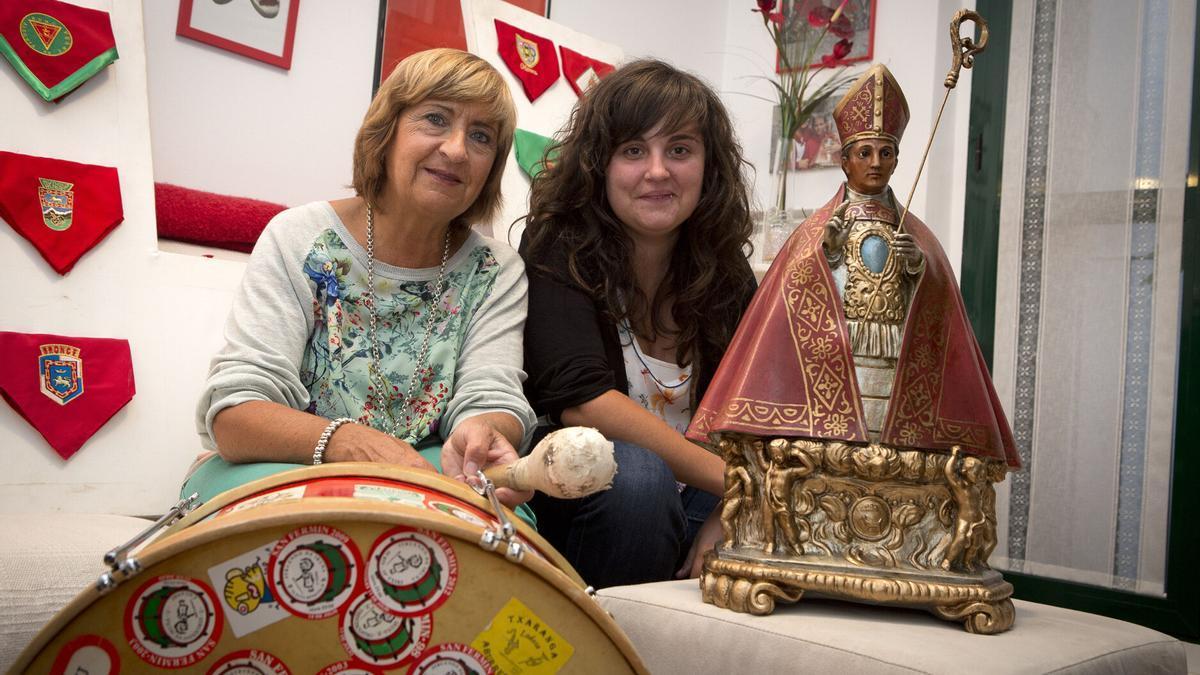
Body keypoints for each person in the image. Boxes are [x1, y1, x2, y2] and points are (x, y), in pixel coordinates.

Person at [184, 48, 536, 512]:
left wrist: (483, 431)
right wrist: (349, 444)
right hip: (290, 461)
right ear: (386, 133)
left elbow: (491, 394)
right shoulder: (301, 237)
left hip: (429, 466)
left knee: (500, 526)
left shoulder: (497, 270)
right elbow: (236, 412)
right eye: (435, 119)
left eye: (481, 136)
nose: (456, 149)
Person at [688, 63, 1018, 469]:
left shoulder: (918, 236)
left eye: (886, 153)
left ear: (896, 161)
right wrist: (824, 254)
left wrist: (918, 265)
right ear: (845, 161)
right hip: (836, 357)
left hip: (895, 359)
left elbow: (939, 304)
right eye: (864, 153)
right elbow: (792, 295)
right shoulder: (816, 230)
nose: (875, 162)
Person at [519, 59, 758, 588]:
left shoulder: (729, 273)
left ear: (708, 166)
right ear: (599, 165)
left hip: (698, 500)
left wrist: (731, 511)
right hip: (585, 500)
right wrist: (740, 487)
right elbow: (582, 399)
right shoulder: (556, 247)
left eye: (679, 149)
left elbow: (753, 417)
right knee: (640, 478)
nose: (657, 171)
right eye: (633, 150)